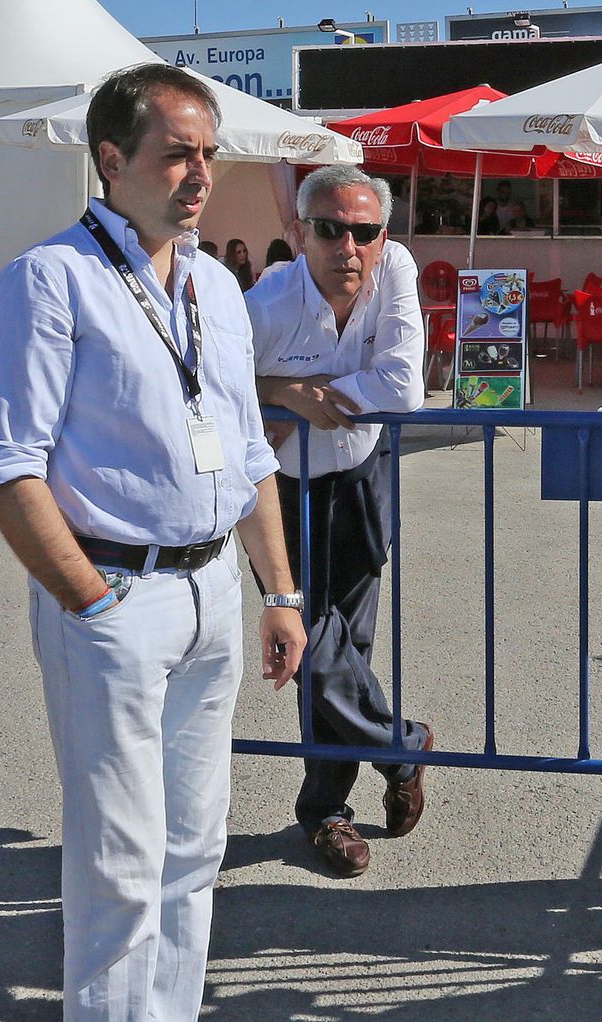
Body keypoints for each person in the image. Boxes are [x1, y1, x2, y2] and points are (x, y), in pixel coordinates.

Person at [0, 63, 307, 1022]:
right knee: (117, 870)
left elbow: (248, 451)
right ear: (111, 161)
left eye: (207, 153)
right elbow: (8, 470)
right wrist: (92, 605)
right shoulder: (48, 281)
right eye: (176, 154)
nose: (199, 173)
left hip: (211, 592)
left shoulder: (211, 283)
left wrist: (279, 592)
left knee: (191, 852)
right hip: (113, 596)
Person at [246, 163, 432, 878]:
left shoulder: (397, 269)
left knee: (343, 653)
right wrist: (277, 390)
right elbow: (218, 379)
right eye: (329, 230)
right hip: (284, 494)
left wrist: (301, 396)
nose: (347, 246)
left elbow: (404, 386)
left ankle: (327, 810)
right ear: (299, 233)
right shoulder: (266, 301)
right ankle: (402, 745)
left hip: (359, 478)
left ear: (383, 236)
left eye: (364, 231)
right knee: (313, 653)